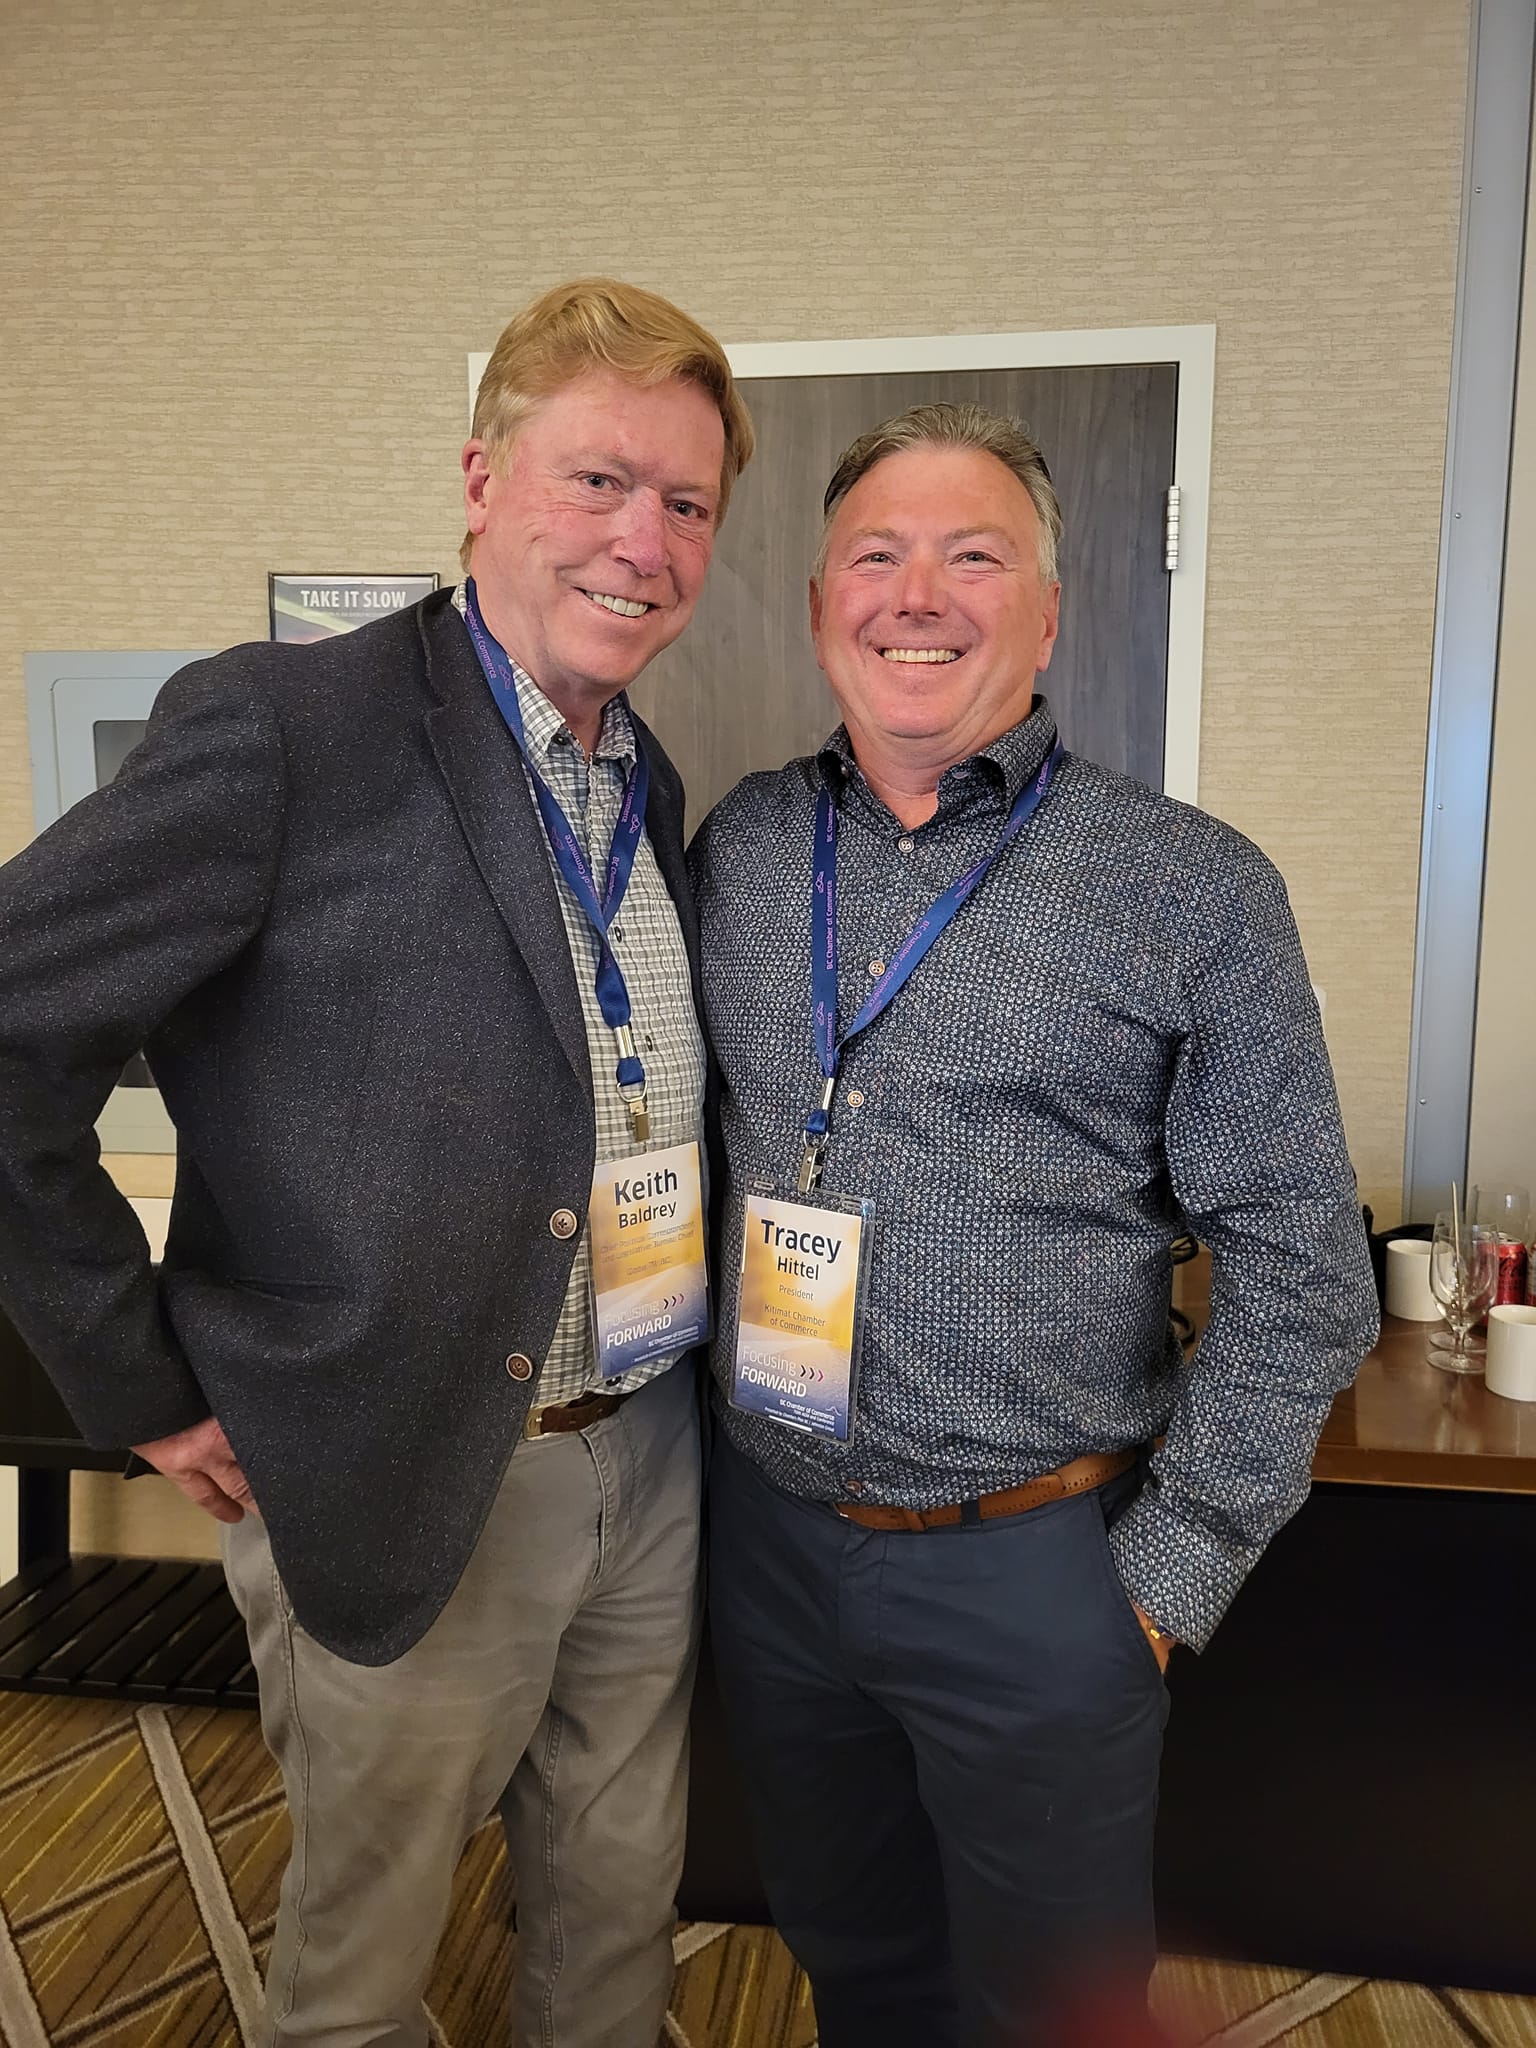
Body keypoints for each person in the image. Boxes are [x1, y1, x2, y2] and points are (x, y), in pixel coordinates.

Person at [0, 277, 753, 2047]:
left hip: (645, 1444)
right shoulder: (286, 727)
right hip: (400, 1458)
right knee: (366, 1951)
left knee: (616, 1891)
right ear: (481, 478)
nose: (641, 541)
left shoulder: (636, 775)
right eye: (597, 481)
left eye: (688, 502)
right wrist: (144, 1383)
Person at [689, 401, 1378, 2048]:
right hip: (773, 1547)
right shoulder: (740, 850)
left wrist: (1162, 1574)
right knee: (852, 1969)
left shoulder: (1191, 888)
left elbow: (1305, 1267)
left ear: (1049, 613)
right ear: (817, 606)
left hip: (1040, 1574)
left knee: (1049, 2012)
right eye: (877, 554)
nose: (917, 592)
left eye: (973, 554)